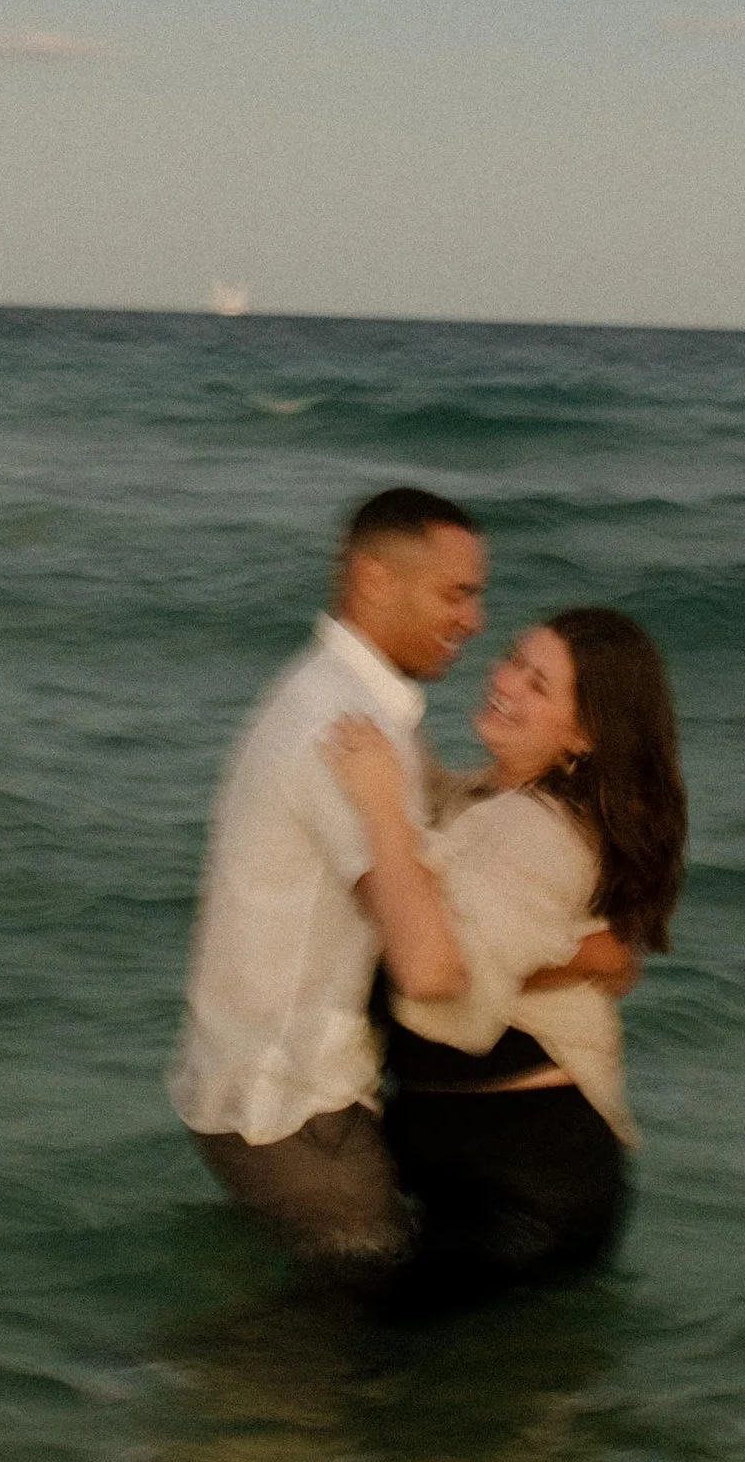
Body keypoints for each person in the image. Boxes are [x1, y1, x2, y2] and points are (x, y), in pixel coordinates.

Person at [168, 487, 488, 1281]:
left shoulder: (343, 698)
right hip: (295, 1112)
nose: (474, 620)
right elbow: (424, 964)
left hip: (249, 1090)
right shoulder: (346, 729)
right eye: (457, 594)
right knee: (346, 1351)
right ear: (375, 580)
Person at [326, 607, 685, 1304]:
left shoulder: (537, 833)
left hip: (523, 1195)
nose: (506, 681)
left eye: (539, 684)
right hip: (484, 1173)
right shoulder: (490, 797)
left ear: (582, 735)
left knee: (295, 1353)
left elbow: (441, 991)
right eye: (514, 659)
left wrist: (378, 809)